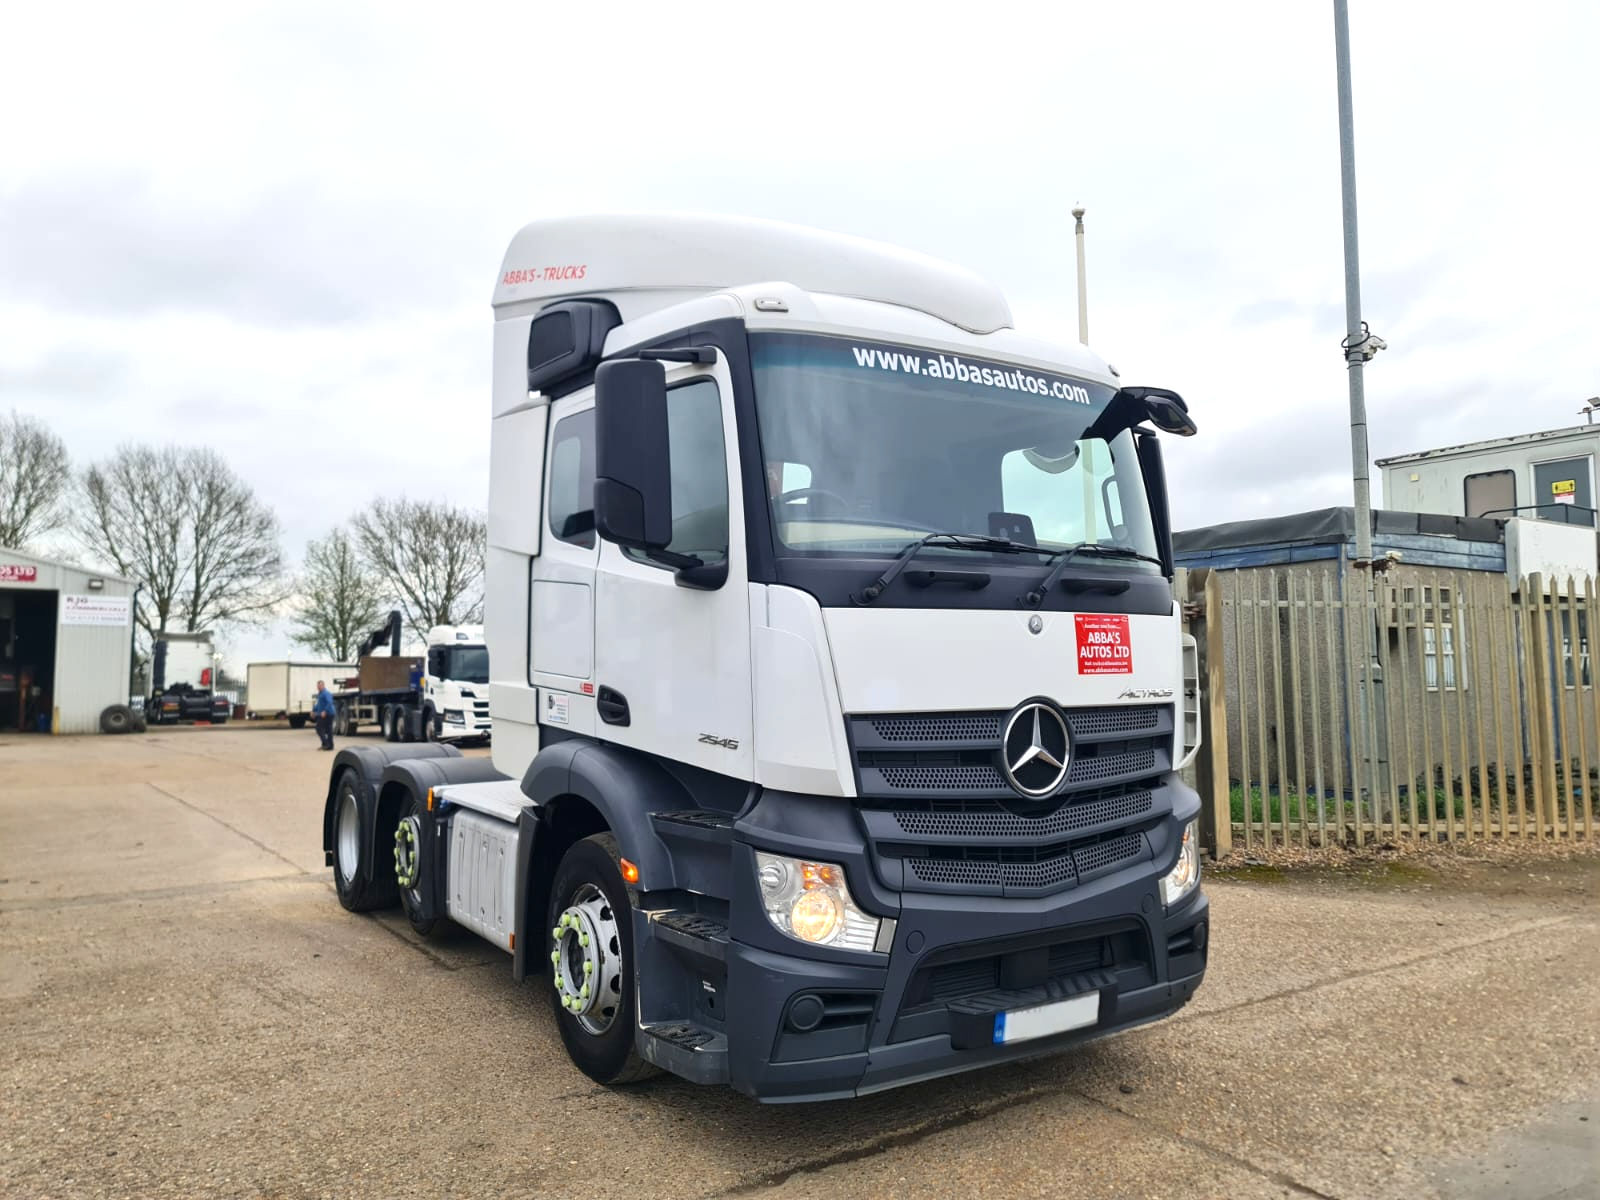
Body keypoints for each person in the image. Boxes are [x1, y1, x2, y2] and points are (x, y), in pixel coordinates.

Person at [312, 680, 336, 751]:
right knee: (328, 730)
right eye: (318, 686)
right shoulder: (320, 694)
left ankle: (326, 744)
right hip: (324, 714)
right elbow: (319, 704)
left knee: (319, 728)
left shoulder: (326, 693)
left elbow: (330, 702)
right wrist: (313, 710)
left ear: (323, 686)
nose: (319, 687)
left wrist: (325, 711)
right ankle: (330, 746)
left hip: (327, 714)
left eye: (320, 686)